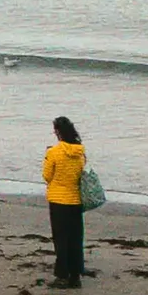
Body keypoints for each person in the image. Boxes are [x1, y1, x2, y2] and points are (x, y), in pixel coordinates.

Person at [42, 115, 87, 285]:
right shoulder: (80, 152)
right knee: (75, 238)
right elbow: (81, 173)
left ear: (57, 132)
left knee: (61, 239)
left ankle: (62, 274)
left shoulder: (53, 152)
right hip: (76, 200)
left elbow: (47, 176)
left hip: (58, 199)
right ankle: (75, 275)